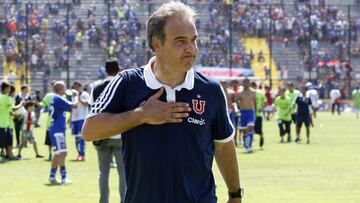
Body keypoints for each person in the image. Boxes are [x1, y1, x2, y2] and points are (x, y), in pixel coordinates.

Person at [83, 2, 242, 203]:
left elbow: (224, 145)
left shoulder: (210, 89)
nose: (191, 49)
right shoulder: (128, 82)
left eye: (193, 40)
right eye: (180, 41)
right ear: (156, 44)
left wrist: (235, 195)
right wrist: (141, 114)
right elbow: (90, 130)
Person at [90, 59, 126, 203]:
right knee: (122, 172)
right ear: (119, 69)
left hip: (103, 134)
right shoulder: (124, 86)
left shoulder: (96, 87)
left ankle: (103, 201)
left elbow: (92, 111)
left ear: (105, 70)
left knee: (103, 172)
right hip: (121, 133)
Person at [48, 81, 77, 184]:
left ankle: (52, 176)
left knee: (57, 153)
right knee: (63, 153)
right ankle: (64, 177)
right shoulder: (58, 98)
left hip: (55, 129)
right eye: (64, 88)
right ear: (60, 89)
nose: (65, 90)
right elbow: (74, 106)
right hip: (58, 130)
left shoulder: (55, 98)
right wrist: (75, 95)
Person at [70, 82, 89, 161]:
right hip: (74, 119)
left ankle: (82, 155)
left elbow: (86, 104)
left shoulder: (85, 94)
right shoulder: (73, 96)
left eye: (76, 87)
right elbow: (73, 107)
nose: (75, 89)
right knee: (76, 137)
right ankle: (79, 154)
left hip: (82, 118)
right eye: (74, 88)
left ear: (80, 87)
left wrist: (78, 96)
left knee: (81, 137)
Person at [0, 82, 19, 160]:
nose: (9, 89)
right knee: (7, 142)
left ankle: (9, 156)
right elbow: (13, 109)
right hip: (4, 123)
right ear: (4, 89)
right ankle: (10, 156)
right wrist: (21, 103)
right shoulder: (7, 98)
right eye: (8, 88)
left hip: (5, 123)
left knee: (6, 142)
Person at [237, 78, 257, 153]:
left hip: (250, 112)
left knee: (250, 127)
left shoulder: (253, 92)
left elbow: (255, 102)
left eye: (247, 82)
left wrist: (256, 112)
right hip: (242, 112)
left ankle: (250, 145)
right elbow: (236, 101)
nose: (245, 84)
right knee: (245, 130)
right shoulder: (240, 92)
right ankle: (246, 146)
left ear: (249, 83)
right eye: (244, 82)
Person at [39, 81, 56, 161]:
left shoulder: (61, 95)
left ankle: (56, 154)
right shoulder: (49, 95)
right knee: (49, 141)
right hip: (50, 123)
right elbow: (43, 103)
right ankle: (50, 154)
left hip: (57, 123)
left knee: (56, 140)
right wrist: (38, 104)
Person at [251, 82, 266, 147]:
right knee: (250, 129)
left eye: (252, 86)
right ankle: (249, 143)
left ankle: (261, 137)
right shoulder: (249, 93)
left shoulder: (260, 93)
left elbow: (265, 102)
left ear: (255, 86)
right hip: (250, 114)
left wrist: (261, 109)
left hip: (258, 114)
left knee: (259, 130)